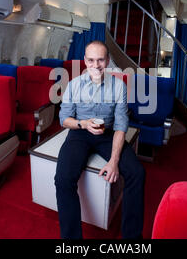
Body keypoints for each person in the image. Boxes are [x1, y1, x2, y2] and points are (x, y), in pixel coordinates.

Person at [55, 40, 145, 239]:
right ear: (85, 61)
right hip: (80, 133)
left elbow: (122, 125)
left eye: (100, 60)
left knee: (137, 173)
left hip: (108, 134)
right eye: (91, 60)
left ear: (108, 60)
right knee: (62, 180)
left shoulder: (119, 87)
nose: (96, 65)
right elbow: (64, 120)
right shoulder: (73, 85)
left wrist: (114, 162)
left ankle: (131, 239)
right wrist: (84, 124)